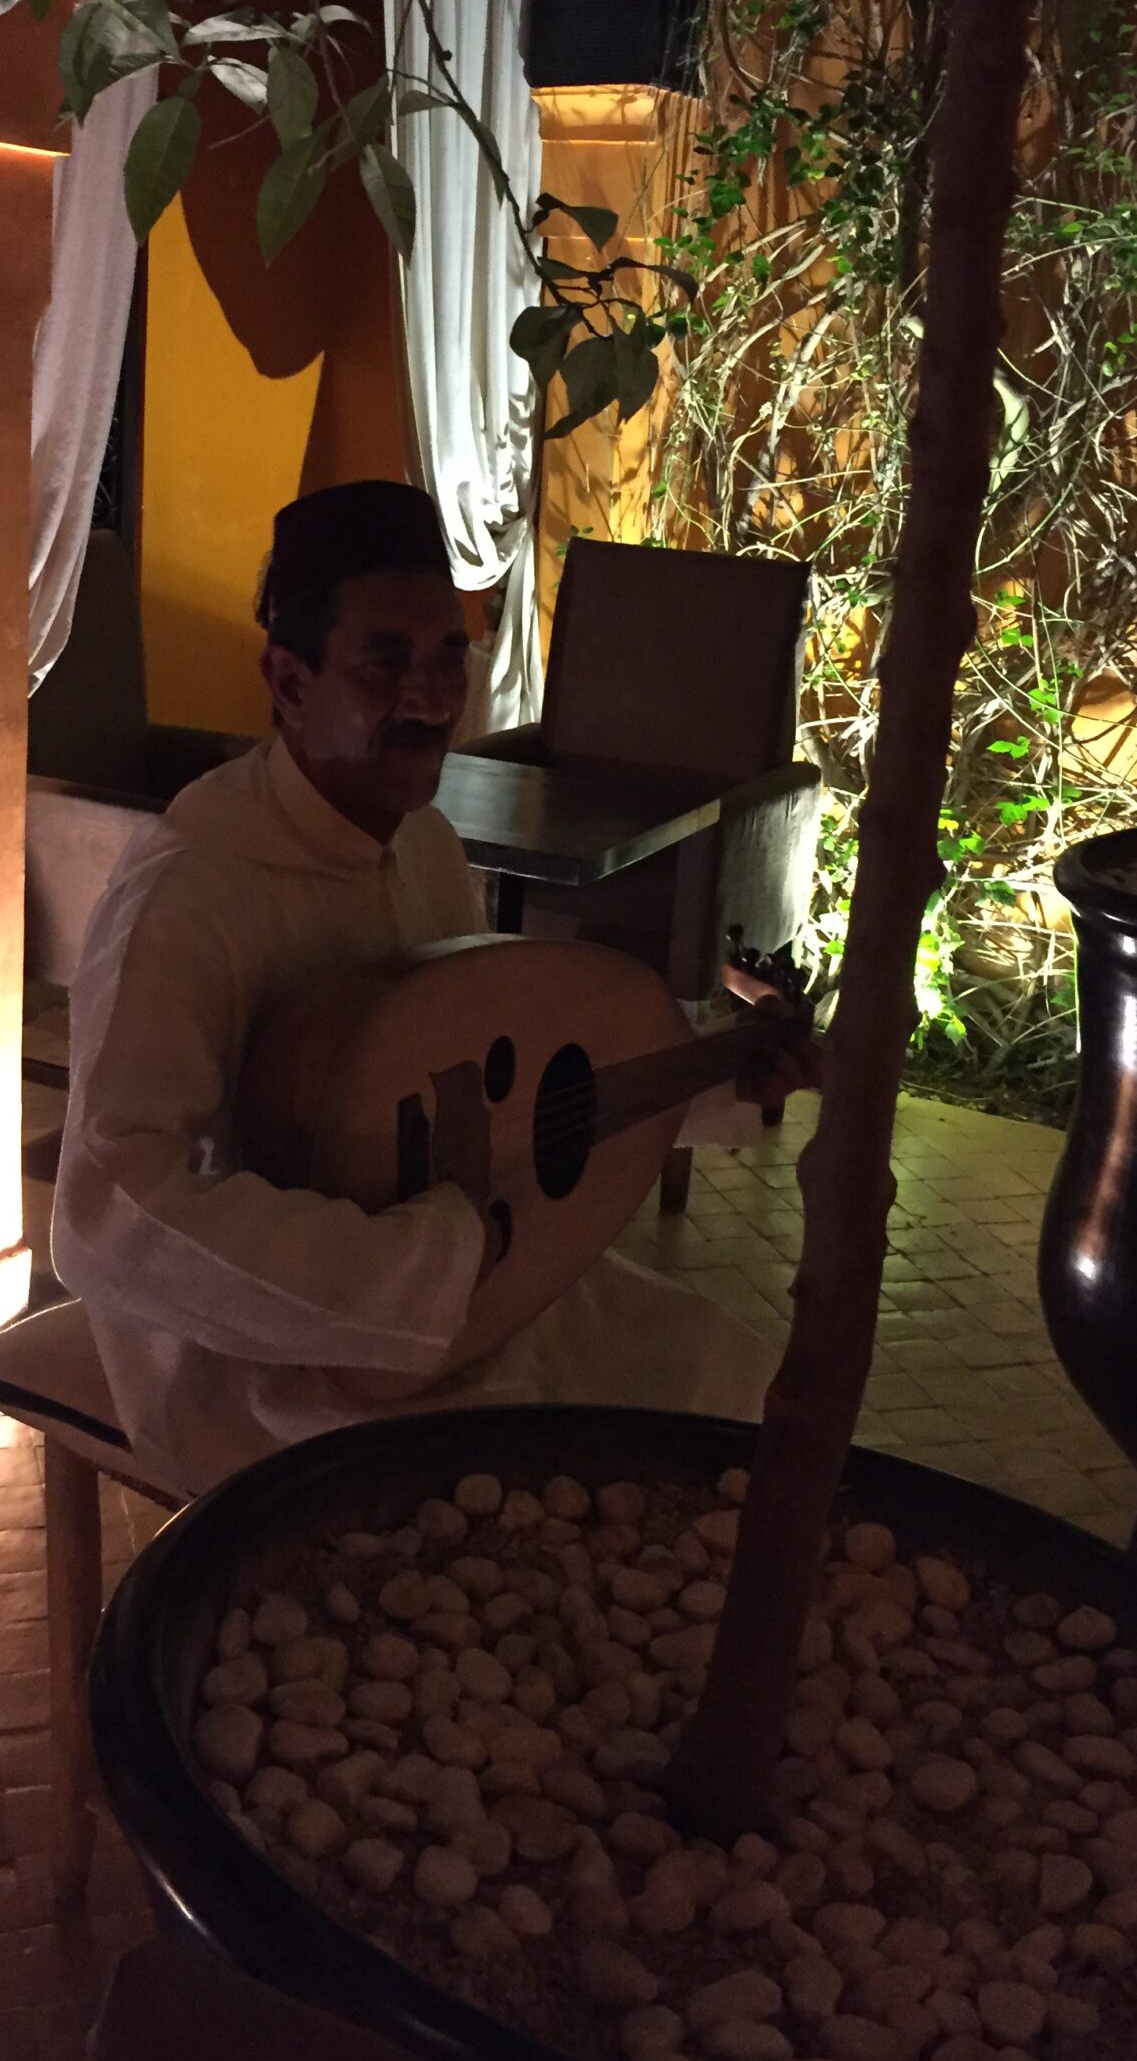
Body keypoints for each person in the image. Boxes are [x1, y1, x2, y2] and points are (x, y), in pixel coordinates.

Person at [51, 481, 806, 1495]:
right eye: (386, 658)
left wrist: (716, 1072)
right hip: (255, 1354)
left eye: (449, 654)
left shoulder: (427, 846)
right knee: (550, 1490)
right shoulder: (192, 889)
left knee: (731, 1379)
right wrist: (422, 1269)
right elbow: (108, 1219)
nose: (431, 694)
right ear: (289, 681)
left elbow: (501, 1078)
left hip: (456, 1283)